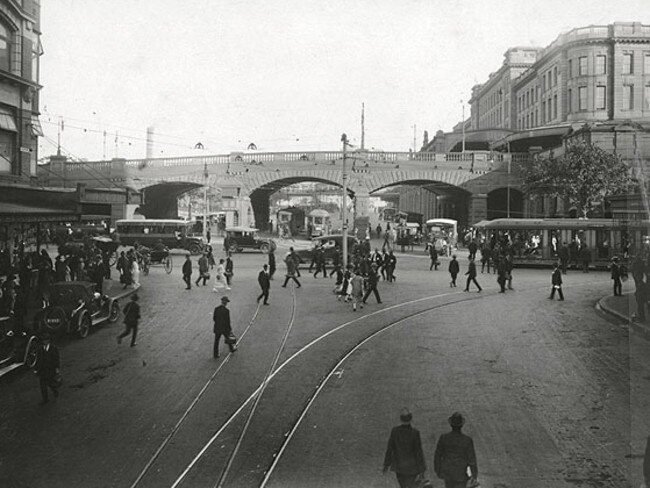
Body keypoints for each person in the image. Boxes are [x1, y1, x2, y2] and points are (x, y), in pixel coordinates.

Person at [383, 408, 427, 488]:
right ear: (411, 418)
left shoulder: (395, 431)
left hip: (399, 467)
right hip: (412, 468)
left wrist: (386, 464)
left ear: (401, 419)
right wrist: (422, 470)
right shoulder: (415, 433)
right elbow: (418, 452)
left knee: (403, 486)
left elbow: (390, 449)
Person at [434, 412, 478, 488]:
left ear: (451, 424)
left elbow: (437, 456)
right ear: (461, 425)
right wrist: (474, 475)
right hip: (461, 473)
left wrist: (438, 470)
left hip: (448, 473)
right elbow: (472, 460)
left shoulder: (444, 438)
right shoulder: (467, 440)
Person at [34, 332, 60, 405]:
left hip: (50, 369)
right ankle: (45, 399)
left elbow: (56, 359)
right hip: (42, 370)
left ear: (49, 340)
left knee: (50, 383)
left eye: (46, 340)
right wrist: (36, 369)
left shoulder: (54, 348)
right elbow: (38, 360)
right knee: (42, 385)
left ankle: (55, 390)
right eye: (43, 340)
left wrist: (57, 368)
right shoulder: (40, 349)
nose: (44, 342)